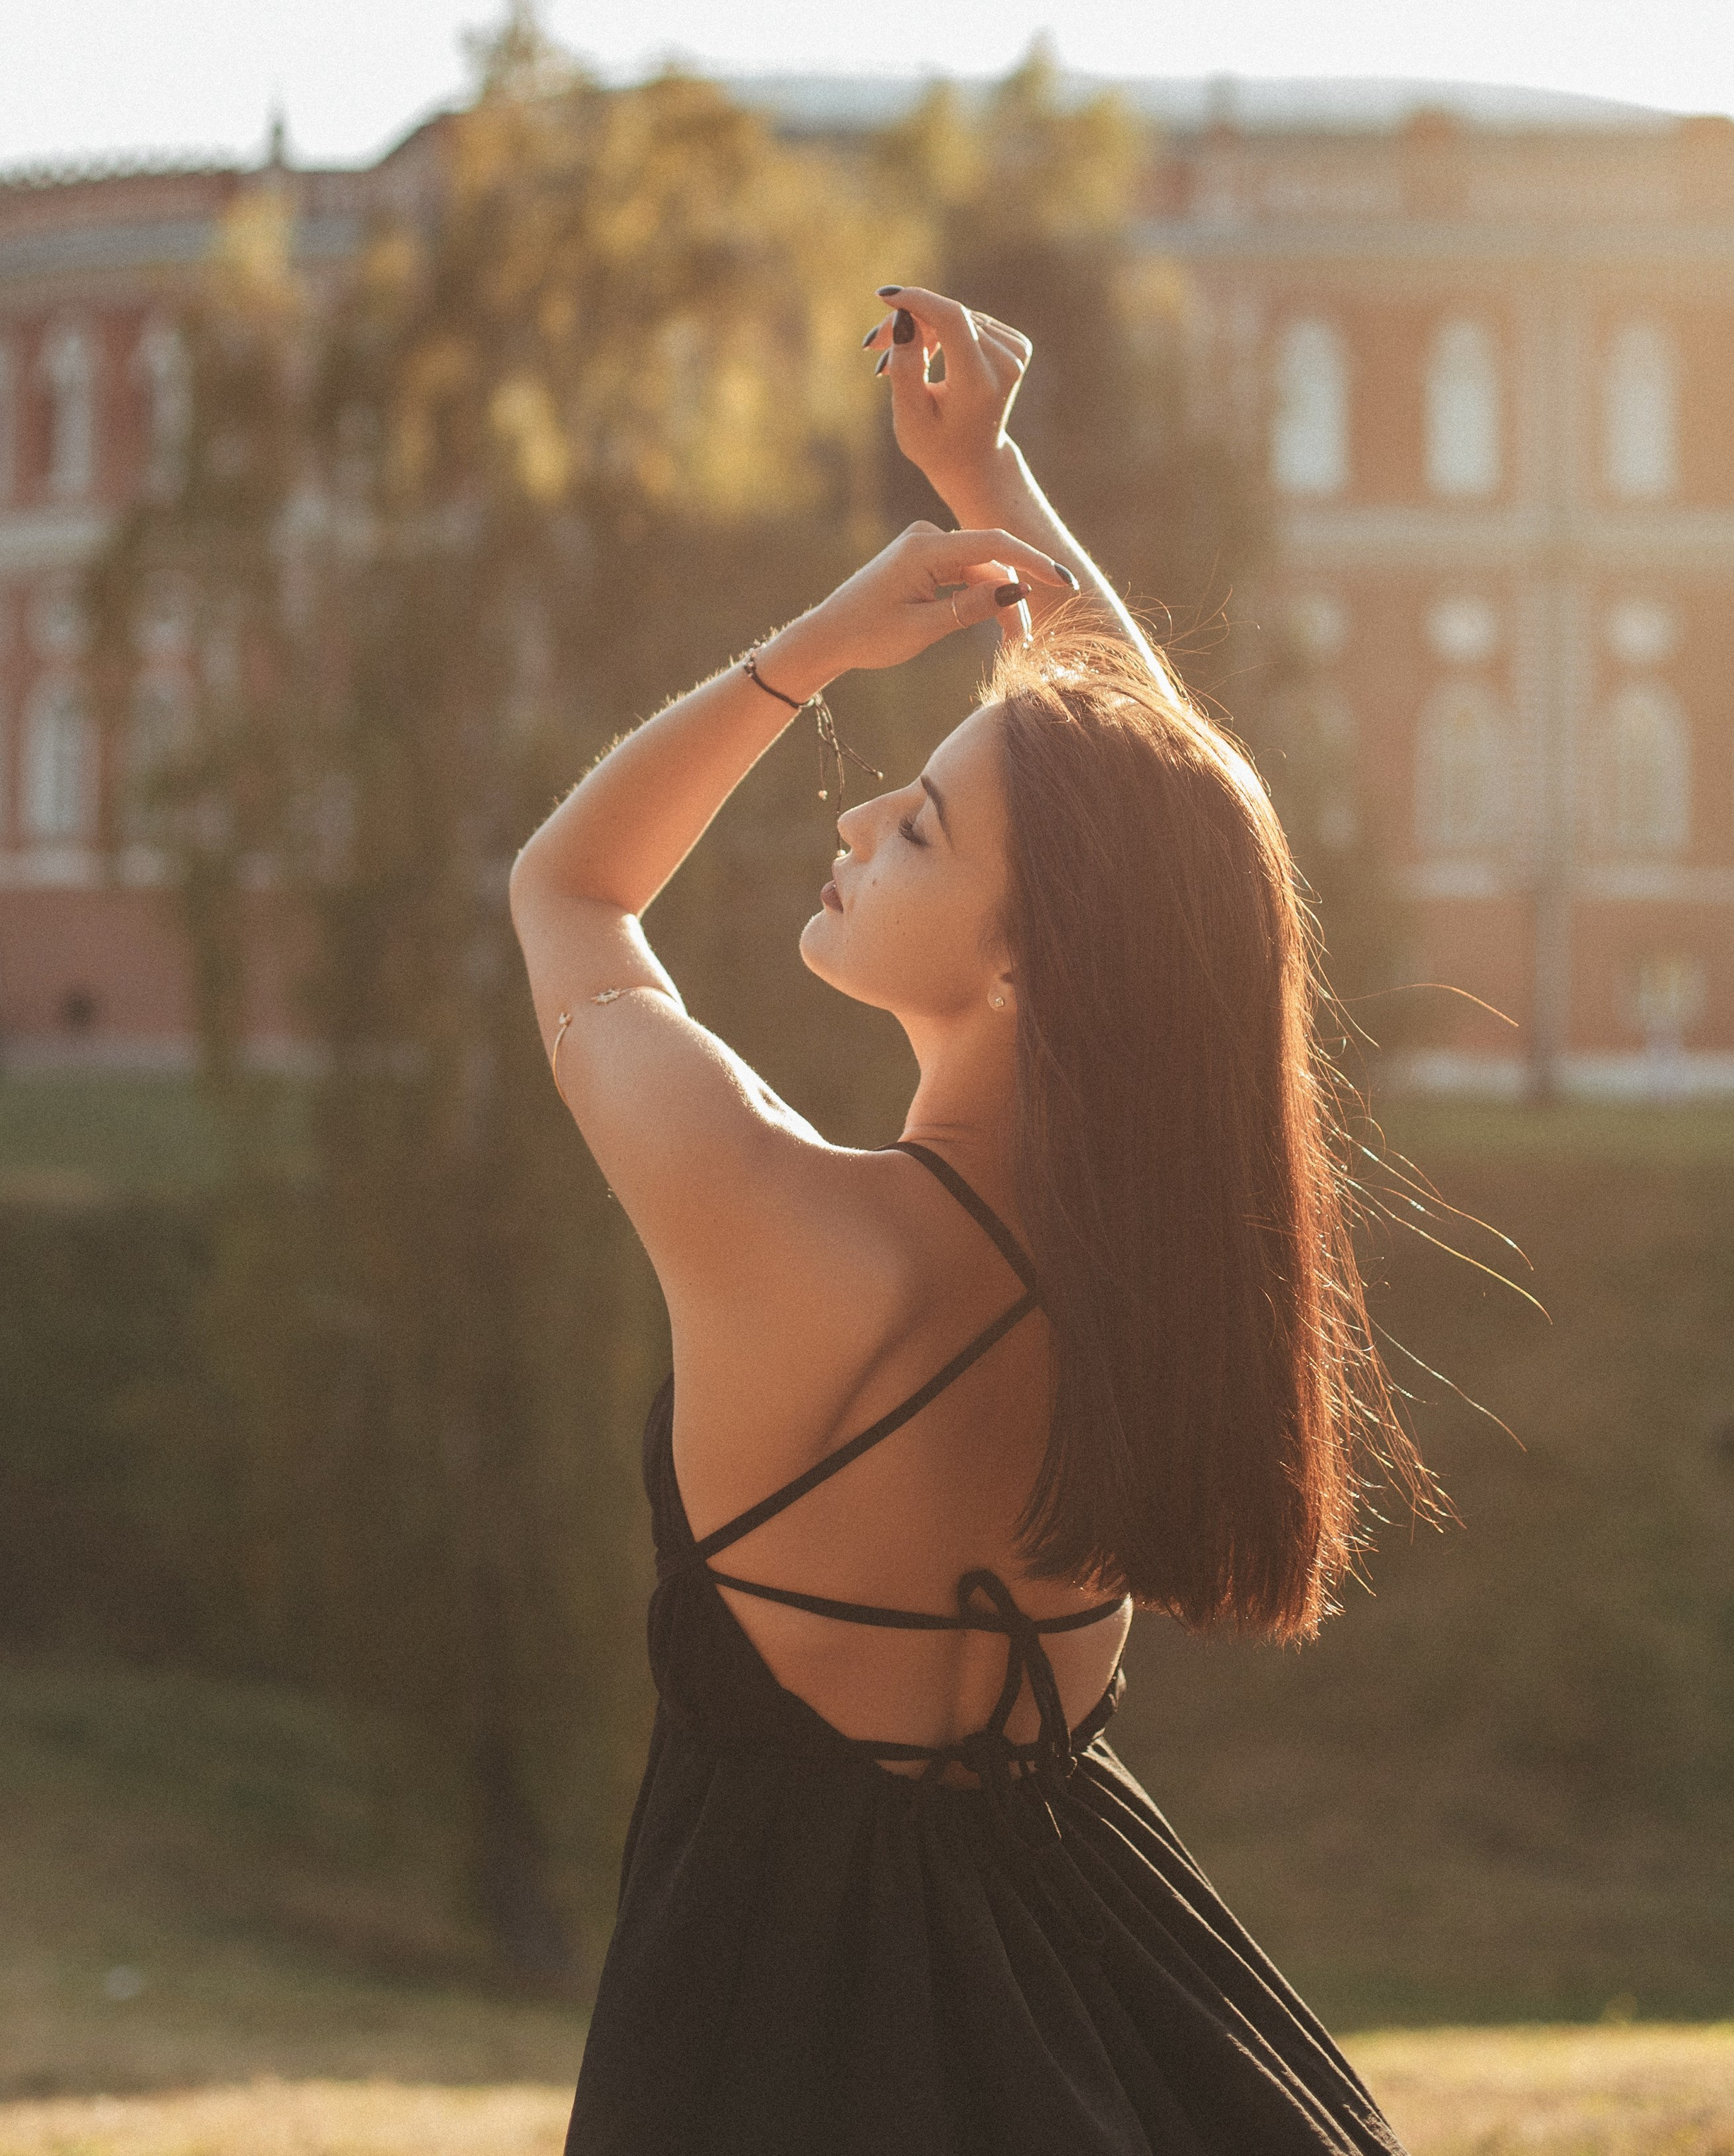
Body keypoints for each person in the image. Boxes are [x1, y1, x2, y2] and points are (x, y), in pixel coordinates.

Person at [510, 288, 1416, 2155]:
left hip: (767, 2042)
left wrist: (817, 650)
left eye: (914, 828)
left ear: (1024, 969)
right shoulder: (1155, 1271)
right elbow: (1169, 842)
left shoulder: (779, 1223)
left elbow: (570, 889)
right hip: (1115, 1999)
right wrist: (982, 480)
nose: (852, 832)